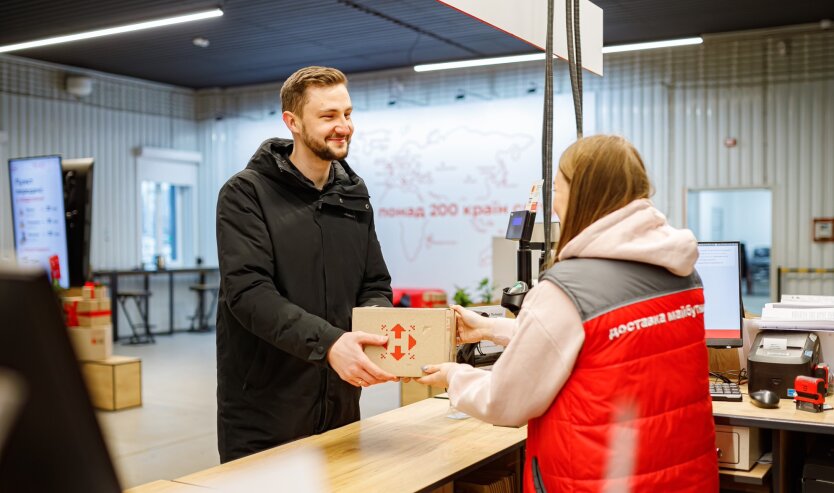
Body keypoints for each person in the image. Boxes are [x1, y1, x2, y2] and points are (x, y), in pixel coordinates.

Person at [418, 135, 718, 492]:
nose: (556, 205)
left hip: (598, 478)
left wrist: (455, 376)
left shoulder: (568, 288)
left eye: (558, 190)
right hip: (681, 474)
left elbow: (505, 402)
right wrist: (490, 329)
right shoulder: (681, 271)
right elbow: (603, 346)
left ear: (582, 195)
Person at [215, 66, 397, 463]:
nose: (343, 127)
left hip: (341, 405)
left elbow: (375, 282)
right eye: (328, 116)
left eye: (347, 114)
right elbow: (248, 294)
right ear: (292, 122)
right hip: (265, 414)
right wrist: (330, 343)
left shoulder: (353, 194)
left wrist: (376, 326)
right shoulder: (245, 193)